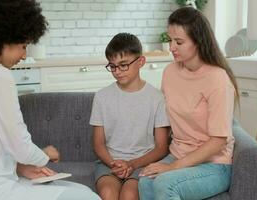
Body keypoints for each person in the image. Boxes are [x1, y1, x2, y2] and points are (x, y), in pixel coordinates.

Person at [0, 0, 100, 200]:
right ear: (5, 39)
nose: (24, 55)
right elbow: (19, 144)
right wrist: (46, 155)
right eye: (23, 46)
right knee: (89, 198)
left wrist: (21, 168)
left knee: (82, 192)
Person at [138, 6, 239, 200]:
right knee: (145, 180)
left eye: (179, 42)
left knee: (166, 184)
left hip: (214, 164)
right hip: (178, 154)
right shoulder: (170, 72)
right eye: (170, 40)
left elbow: (218, 141)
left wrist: (172, 167)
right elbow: (164, 119)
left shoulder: (217, 79)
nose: (171, 47)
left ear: (198, 41)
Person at [90, 32, 171, 200]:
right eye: (112, 66)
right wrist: (114, 164)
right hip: (109, 163)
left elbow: (161, 148)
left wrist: (131, 164)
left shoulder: (156, 98)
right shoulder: (102, 97)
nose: (117, 71)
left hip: (142, 164)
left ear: (141, 61)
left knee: (129, 195)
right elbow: (98, 143)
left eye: (123, 65)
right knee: (108, 193)